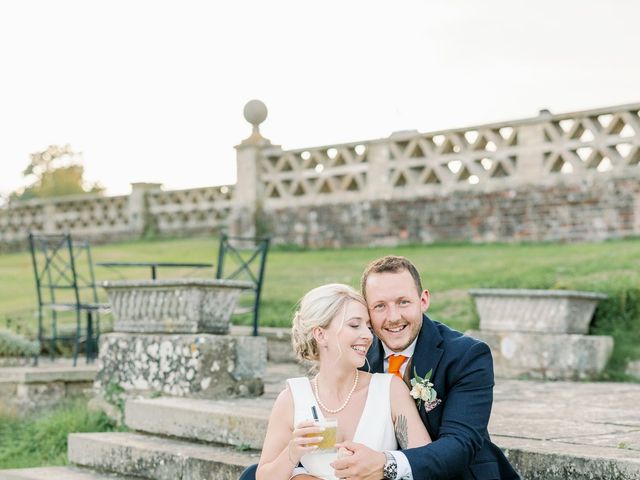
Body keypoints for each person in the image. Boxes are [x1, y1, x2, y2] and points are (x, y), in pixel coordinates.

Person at [330, 255, 520, 479]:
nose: (393, 317)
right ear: (367, 312)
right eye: (380, 306)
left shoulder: (466, 356)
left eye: (403, 302)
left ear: (423, 300)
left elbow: (461, 443)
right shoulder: (356, 355)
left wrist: (386, 464)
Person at [254, 283, 431, 480]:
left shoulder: (390, 389)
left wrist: (382, 463)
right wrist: (292, 453)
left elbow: (426, 464)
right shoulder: (292, 399)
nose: (367, 336)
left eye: (368, 327)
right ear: (321, 334)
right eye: (355, 325)